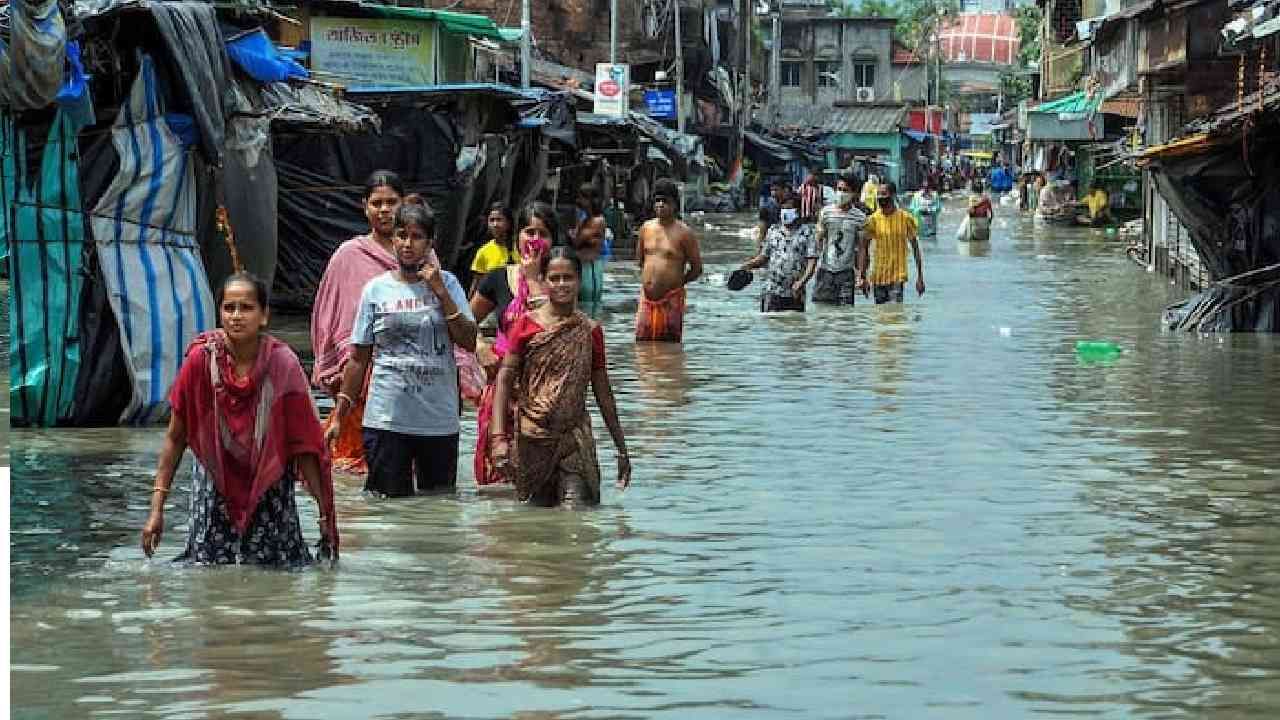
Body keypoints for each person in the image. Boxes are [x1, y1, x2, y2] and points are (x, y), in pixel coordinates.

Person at [141, 272, 339, 565]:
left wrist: (324, 514)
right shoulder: (200, 362)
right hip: (213, 493)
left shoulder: (283, 366)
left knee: (275, 581)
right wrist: (156, 510)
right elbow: (175, 438)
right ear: (219, 313)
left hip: (270, 498)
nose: (236, 316)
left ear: (264, 315)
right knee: (209, 580)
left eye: (246, 308)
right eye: (229, 308)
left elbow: (305, 447)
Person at [327, 201, 478, 497]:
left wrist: (441, 293)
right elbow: (359, 359)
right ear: (393, 239)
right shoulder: (375, 289)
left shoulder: (449, 284)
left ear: (430, 243)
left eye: (417, 236)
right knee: (387, 509)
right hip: (386, 420)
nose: (408, 244)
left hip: (438, 422)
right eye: (401, 235)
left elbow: (468, 340)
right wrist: (339, 414)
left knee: (438, 508)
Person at [490, 246, 632, 507]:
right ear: (543, 281)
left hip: (573, 437)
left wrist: (621, 448)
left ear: (580, 281)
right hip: (533, 437)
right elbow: (505, 380)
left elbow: (603, 390)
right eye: (554, 278)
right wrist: (498, 438)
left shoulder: (589, 331)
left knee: (574, 516)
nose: (562, 285)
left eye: (568, 277)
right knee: (537, 520)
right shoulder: (526, 326)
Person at [310, 170, 405, 474]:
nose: (385, 209)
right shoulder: (348, 256)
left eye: (392, 202)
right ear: (365, 207)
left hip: (408, 383)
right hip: (357, 378)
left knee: (402, 470)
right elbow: (327, 315)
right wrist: (339, 368)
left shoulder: (422, 255)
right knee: (350, 468)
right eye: (377, 203)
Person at [470, 203, 557, 487]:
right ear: (516, 236)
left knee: (539, 481)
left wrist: (533, 279)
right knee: (497, 481)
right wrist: (481, 348)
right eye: (528, 231)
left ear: (553, 241)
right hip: (502, 391)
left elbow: (553, 329)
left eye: (542, 233)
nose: (534, 239)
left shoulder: (561, 283)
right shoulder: (498, 278)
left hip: (543, 393)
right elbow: (464, 327)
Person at [635, 178, 703, 342]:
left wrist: (678, 283)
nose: (660, 204)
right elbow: (640, 261)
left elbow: (697, 269)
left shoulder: (685, 233)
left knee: (670, 347)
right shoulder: (646, 228)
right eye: (657, 200)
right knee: (642, 345)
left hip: (671, 299)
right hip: (646, 299)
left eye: (665, 201)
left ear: (674, 204)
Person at [738, 195, 818, 312]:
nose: (785, 212)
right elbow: (764, 257)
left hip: (795, 292)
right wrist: (749, 265)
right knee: (771, 323)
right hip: (772, 290)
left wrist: (802, 282)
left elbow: (812, 263)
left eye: (789, 209)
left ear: (797, 211)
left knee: (795, 324)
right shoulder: (773, 231)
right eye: (783, 209)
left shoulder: (807, 233)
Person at [858, 181, 926, 304]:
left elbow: (915, 248)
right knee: (880, 316)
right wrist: (862, 276)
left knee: (895, 314)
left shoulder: (906, 219)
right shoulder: (872, 220)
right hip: (877, 276)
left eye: (884, 194)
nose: (880, 198)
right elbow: (863, 248)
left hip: (897, 277)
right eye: (878, 194)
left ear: (893, 195)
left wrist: (920, 277)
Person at [812, 174, 867, 306]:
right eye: (839, 189)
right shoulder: (826, 213)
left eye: (845, 190)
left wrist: (861, 275)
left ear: (853, 193)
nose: (841, 193)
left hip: (846, 273)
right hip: (825, 270)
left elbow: (862, 249)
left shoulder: (860, 218)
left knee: (845, 314)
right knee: (821, 310)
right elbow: (817, 242)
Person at [469, 203, 515, 297]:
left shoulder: (520, 247)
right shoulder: (483, 251)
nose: (495, 224)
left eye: (499, 220)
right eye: (491, 220)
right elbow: (476, 284)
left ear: (508, 223)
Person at [575, 208, 607, 308]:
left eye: (602, 235)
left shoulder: (598, 264)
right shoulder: (572, 264)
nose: (601, 240)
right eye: (596, 235)